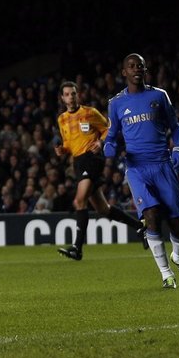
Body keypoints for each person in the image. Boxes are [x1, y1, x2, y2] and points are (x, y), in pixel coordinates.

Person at [103, 53, 179, 288]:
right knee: (151, 215)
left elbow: (175, 127)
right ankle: (166, 274)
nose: (136, 69)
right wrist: (109, 149)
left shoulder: (159, 96)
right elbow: (111, 137)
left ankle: (178, 257)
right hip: (137, 168)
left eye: (140, 66)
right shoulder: (116, 103)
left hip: (163, 165)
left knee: (176, 224)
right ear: (124, 72)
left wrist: (178, 151)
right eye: (131, 66)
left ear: (145, 70)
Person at [54, 81, 146, 261]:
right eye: (67, 94)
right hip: (78, 162)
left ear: (77, 95)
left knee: (79, 200)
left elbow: (108, 129)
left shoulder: (90, 113)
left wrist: (101, 142)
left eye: (73, 93)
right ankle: (139, 227)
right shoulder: (62, 119)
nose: (70, 97)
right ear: (62, 98)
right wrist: (62, 150)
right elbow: (68, 143)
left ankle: (77, 248)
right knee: (103, 209)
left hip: (92, 158)